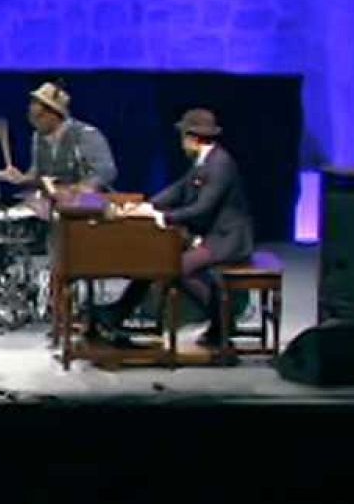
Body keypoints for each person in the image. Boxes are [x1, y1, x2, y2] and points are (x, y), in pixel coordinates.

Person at [96, 109, 255, 350]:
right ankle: (117, 312)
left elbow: (203, 208)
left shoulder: (220, 164)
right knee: (156, 260)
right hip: (211, 236)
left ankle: (223, 319)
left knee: (173, 266)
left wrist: (162, 217)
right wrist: (144, 205)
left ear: (193, 138)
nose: (182, 143)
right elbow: (178, 190)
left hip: (226, 239)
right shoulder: (202, 162)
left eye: (183, 137)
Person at [5, 81, 118, 195]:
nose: (35, 124)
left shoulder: (85, 135)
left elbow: (106, 171)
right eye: (32, 119)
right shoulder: (38, 137)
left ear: (54, 114)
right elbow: (37, 174)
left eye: (39, 117)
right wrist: (22, 178)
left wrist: (86, 187)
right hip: (56, 203)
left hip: (89, 204)